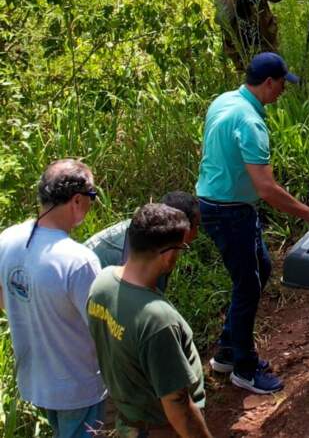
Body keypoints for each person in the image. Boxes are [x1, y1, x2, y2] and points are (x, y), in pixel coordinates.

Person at [196, 52, 309, 394]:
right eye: (282, 84)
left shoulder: (225, 100)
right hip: (230, 211)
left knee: (259, 268)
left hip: (215, 202)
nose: (283, 91)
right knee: (248, 285)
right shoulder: (250, 122)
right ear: (269, 82)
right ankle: (244, 369)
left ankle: (228, 352)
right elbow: (267, 189)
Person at [0, 159, 107, 437]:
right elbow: (102, 330)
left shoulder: (8, 239)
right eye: (92, 196)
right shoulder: (79, 261)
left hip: (35, 381)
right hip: (78, 387)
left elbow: (3, 298)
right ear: (77, 200)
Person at [87, 203, 212, 438]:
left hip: (129, 420)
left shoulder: (102, 283)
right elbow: (178, 405)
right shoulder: (157, 320)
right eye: (181, 248)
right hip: (162, 428)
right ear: (168, 255)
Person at [84, 191, 201, 291]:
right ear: (182, 226)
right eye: (196, 226)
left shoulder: (142, 226)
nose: (196, 234)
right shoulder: (152, 254)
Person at [216, 0, 284, 70]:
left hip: (265, 40)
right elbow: (221, 20)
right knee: (248, 73)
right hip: (241, 47)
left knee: (272, 70)